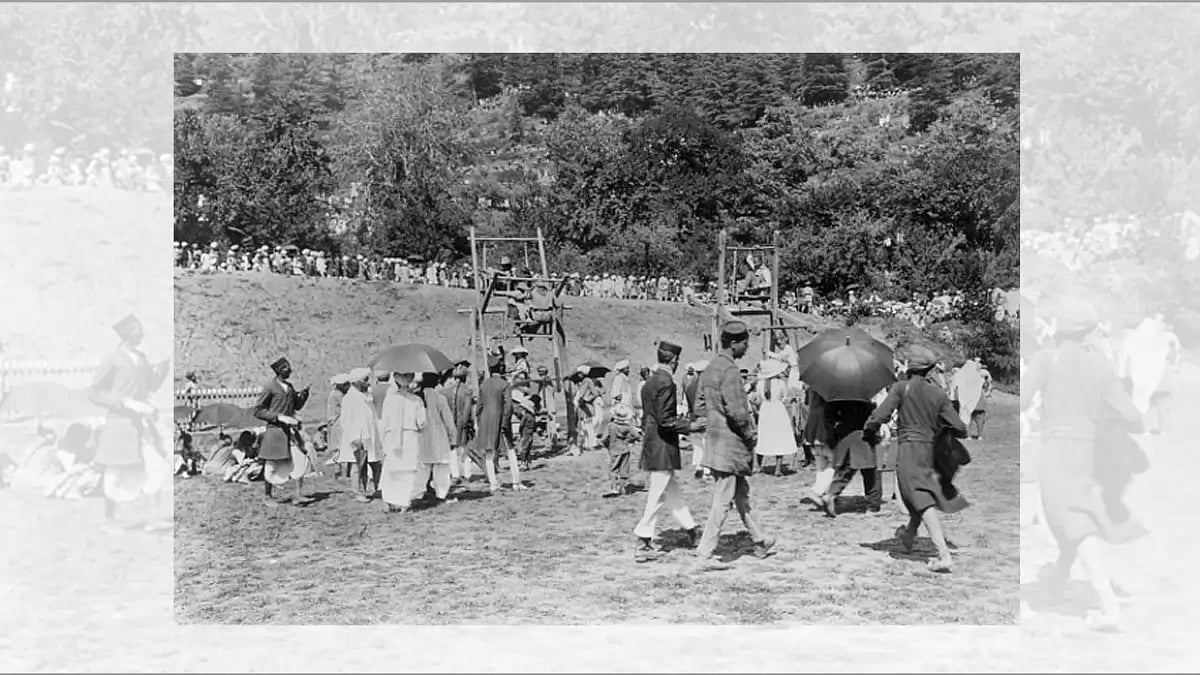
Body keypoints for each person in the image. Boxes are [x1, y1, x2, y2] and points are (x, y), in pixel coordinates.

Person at [1022, 300, 1145, 631]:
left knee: (1070, 519)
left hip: (1057, 449)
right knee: (1072, 515)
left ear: (1058, 328)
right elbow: (1134, 418)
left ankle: (1108, 606)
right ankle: (1058, 584)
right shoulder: (1101, 366)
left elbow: (1023, 398)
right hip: (1089, 451)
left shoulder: (1047, 359)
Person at [863, 344, 967, 574]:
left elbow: (880, 415)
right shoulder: (938, 394)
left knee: (918, 497)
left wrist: (868, 429)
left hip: (909, 449)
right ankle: (909, 536)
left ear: (909, 368)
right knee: (918, 494)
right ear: (929, 370)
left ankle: (943, 554)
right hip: (930, 451)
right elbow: (961, 428)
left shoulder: (901, 388)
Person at [694, 321, 776, 570]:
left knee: (741, 495)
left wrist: (714, 421)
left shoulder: (710, 369)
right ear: (734, 343)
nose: (746, 348)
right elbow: (738, 412)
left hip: (715, 442)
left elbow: (699, 407)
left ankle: (760, 539)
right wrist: (751, 435)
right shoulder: (729, 371)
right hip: (731, 446)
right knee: (723, 499)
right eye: (744, 344)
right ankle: (704, 554)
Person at [89, 313, 171, 534]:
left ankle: (153, 518)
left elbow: (152, 385)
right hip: (121, 423)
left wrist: (164, 365)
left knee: (156, 465)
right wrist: (125, 403)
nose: (140, 332)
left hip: (144, 424)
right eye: (135, 328)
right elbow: (95, 393)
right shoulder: (113, 359)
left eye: (140, 327)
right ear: (125, 333)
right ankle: (109, 519)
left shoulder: (141, 359)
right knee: (115, 471)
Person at [633, 340, 703, 560]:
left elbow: (652, 416)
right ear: (674, 360)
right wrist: (691, 426)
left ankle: (692, 530)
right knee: (657, 494)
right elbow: (666, 420)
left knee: (671, 491)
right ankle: (643, 539)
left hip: (653, 441)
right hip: (662, 444)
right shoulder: (666, 383)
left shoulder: (650, 382)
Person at [252, 357, 313, 508]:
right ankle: (267, 495)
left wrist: (303, 396)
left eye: (289, 367)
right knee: (271, 463)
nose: (289, 370)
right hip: (276, 431)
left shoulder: (290, 387)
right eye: (286, 368)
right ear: (279, 370)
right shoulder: (270, 387)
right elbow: (258, 410)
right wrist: (279, 417)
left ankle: (298, 494)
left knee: (299, 459)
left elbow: (296, 406)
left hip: (291, 431)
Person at [821, 399, 885, 517]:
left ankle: (831, 493)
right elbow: (873, 419)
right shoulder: (865, 398)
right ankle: (873, 505)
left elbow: (829, 418)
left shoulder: (836, 398)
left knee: (846, 470)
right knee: (871, 472)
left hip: (845, 436)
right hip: (863, 436)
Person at [379, 372, 427, 513]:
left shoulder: (390, 400)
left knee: (392, 469)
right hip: (410, 437)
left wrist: (383, 440)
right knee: (408, 470)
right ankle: (404, 502)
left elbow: (384, 422)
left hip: (392, 436)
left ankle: (388, 500)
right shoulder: (417, 401)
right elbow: (422, 422)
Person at [477, 356, 524, 491]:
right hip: (500, 419)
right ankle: (516, 482)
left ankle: (493, 484)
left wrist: (480, 422)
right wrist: (505, 422)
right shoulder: (504, 384)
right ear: (501, 368)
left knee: (489, 452)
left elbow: (479, 407)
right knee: (510, 450)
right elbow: (508, 405)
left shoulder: (484, 385)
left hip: (486, 420)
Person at [338, 368, 380, 503]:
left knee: (374, 463)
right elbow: (346, 421)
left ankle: (378, 488)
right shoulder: (349, 398)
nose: (367, 383)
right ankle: (358, 492)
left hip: (369, 436)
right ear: (356, 382)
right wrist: (354, 438)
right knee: (357, 466)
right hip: (358, 437)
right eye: (365, 380)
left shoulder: (366, 396)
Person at [416, 371, 456, 505]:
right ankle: (441, 494)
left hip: (421, 436)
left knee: (422, 467)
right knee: (441, 466)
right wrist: (453, 438)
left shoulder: (416, 397)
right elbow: (449, 420)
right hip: (438, 435)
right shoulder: (439, 397)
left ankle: (417, 494)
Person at [752, 359, 798, 475]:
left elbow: (758, 399)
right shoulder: (780, 383)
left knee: (764, 436)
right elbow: (784, 398)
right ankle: (778, 468)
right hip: (777, 409)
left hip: (765, 410)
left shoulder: (760, 384)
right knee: (779, 437)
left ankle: (758, 466)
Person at [445, 360, 476, 483]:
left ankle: (455, 474)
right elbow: (467, 411)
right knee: (465, 449)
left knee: (452, 450)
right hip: (463, 425)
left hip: (450, 424)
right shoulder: (467, 391)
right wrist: (469, 424)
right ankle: (467, 474)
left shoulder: (446, 391)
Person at [603, 403, 638, 497]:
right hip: (625, 449)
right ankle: (623, 487)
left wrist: (606, 444)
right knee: (624, 468)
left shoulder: (611, 426)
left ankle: (614, 487)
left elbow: (604, 438)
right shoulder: (628, 427)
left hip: (614, 450)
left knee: (613, 468)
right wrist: (628, 440)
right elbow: (636, 436)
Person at [684, 359, 710, 479]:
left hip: (693, 417)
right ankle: (707, 470)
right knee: (707, 444)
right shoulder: (706, 386)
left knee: (697, 444)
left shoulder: (690, 385)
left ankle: (698, 467)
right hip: (705, 417)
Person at [324, 373, 350, 478]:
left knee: (338, 448)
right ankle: (341, 472)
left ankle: (339, 472)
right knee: (340, 448)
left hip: (337, 423)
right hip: (338, 422)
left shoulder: (335, 394)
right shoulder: (337, 395)